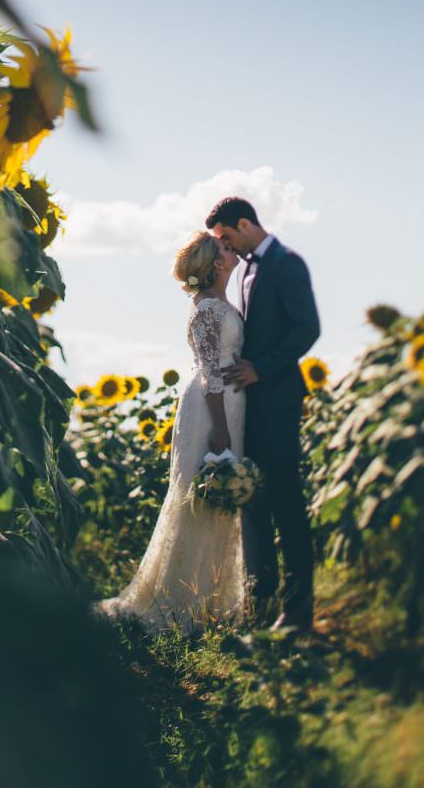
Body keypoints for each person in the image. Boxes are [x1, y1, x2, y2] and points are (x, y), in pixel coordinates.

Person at [96, 232, 248, 633]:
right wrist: (218, 427)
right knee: (200, 497)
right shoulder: (206, 311)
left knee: (219, 499)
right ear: (216, 263)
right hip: (212, 408)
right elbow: (210, 370)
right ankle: (182, 604)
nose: (233, 251)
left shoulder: (223, 303)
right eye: (226, 249)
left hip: (231, 404)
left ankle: (213, 601)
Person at [206, 197, 321, 634]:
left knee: (287, 501)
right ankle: (260, 602)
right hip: (249, 404)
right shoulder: (248, 269)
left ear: (242, 223)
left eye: (225, 236)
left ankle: (298, 613)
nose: (223, 246)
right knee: (253, 501)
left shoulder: (288, 263)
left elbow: (307, 328)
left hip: (278, 398)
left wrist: (261, 368)